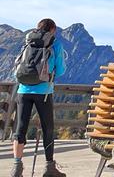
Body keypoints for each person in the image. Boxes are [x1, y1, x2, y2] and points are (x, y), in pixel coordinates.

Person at [11, 19, 66, 177]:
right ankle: (49, 168)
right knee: (48, 128)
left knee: (20, 128)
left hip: (23, 89)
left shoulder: (28, 41)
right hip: (44, 91)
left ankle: (16, 168)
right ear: (53, 29)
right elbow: (60, 70)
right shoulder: (55, 44)